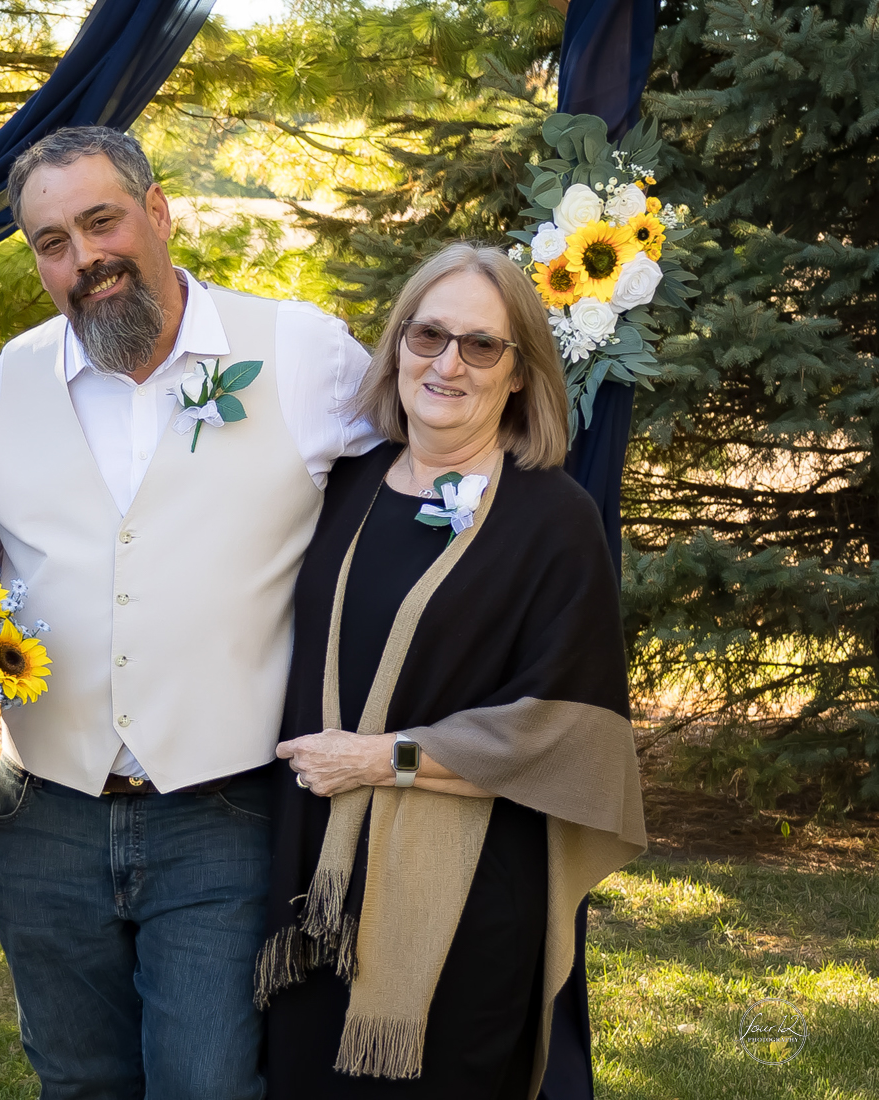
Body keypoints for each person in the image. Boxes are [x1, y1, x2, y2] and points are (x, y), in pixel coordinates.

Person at [0, 125, 380, 1100]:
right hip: (45, 810)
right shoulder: (6, 384)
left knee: (207, 1084)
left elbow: (415, 488)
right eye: (53, 242)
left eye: (101, 221)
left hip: (223, 810)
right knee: (76, 1082)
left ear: (157, 211)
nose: (84, 257)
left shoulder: (303, 354)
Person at [259, 242, 648, 1098]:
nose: (447, 364)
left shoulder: (554, 519)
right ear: (398, 343)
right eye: (428, 335)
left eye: (480, 345)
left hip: (464, 900)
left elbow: (566, 735)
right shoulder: (345, 485)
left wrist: (380, 758)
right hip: (312, 880)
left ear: (519, 373)